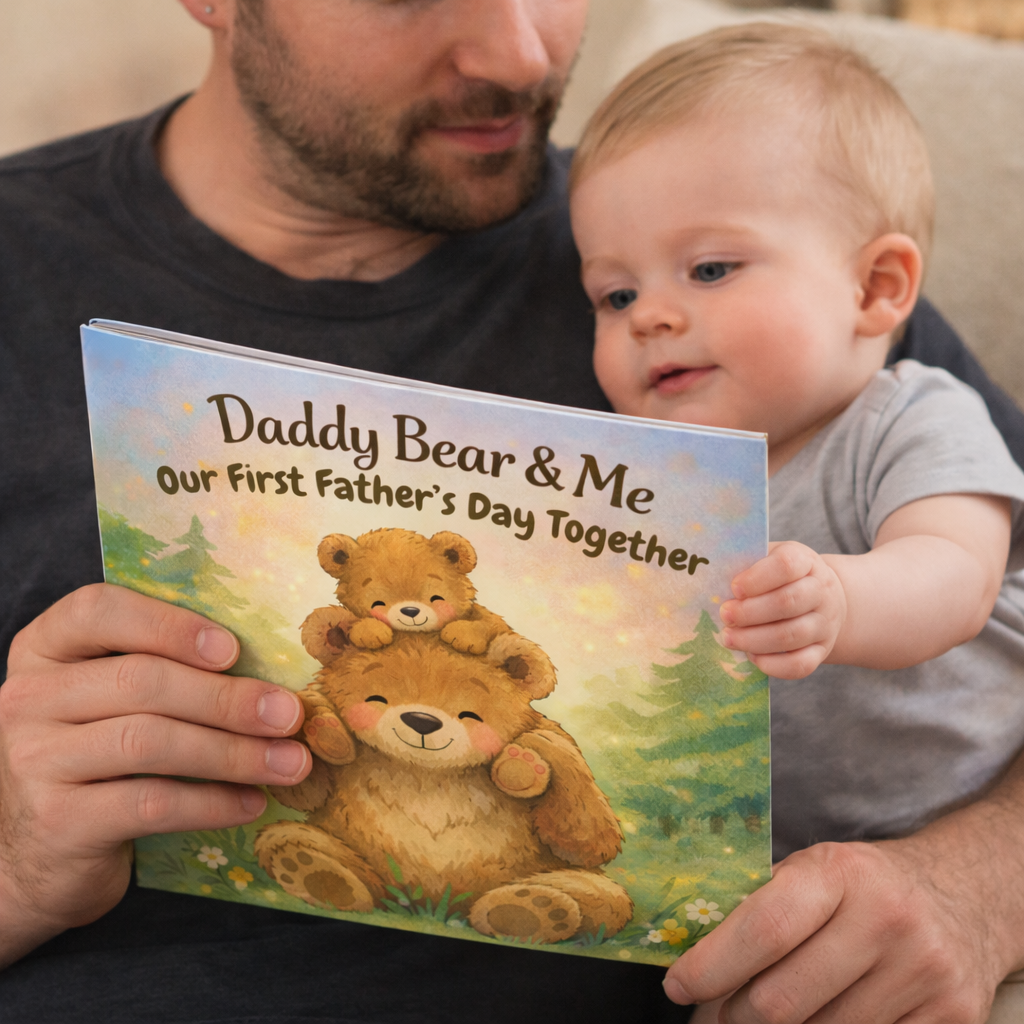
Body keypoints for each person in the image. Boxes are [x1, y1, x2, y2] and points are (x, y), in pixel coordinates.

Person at [0, 1, 1021, 1022]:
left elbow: (977, 602)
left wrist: (977, 882)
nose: (519, 53)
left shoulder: (733, 225)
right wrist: (12, 861)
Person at [568, 23, 1024, 1022]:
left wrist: (842, 596)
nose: (649, 314)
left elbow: (955, 575)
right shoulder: (654, 482)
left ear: (874, 288)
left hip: (957, 804)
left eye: (711, 269)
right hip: (789, 866)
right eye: (614, 291)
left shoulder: (905, 416)